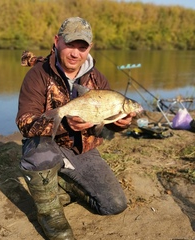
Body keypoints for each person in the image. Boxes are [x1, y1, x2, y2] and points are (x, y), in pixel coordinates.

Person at [16, 17, 136, 240]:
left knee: (114, 205)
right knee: (40, 153)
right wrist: (64, 124)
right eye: (70, 45)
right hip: (45, 145)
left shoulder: (98, 79)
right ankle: (49, 214)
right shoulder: (38, 75)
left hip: (82, 149)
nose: (75, 53)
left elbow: (105, 123)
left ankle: (59, 186)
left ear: (89, 48)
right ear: (57, 41)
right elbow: (24, 122)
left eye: (82, 47)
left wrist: (120, 124)